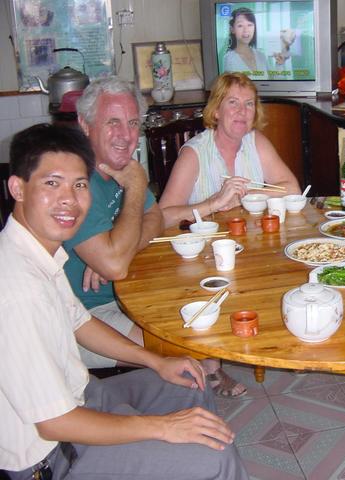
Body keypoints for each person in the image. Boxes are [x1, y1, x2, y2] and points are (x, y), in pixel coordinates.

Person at [0, 123, 248, 479]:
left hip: (84, 395)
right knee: (214, 458)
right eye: (51, 183)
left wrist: (155, 361)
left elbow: (80, 323)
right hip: (54, 457)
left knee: (188, 377)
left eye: (79, 185)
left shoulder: (38, 254)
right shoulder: (16, 291)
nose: (69, 199)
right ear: (17, 188)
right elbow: (55, 424)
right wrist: (162, 428)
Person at [64, 76, 246, 397]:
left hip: (127, 293)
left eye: (133, 122)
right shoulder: (77, 181)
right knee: (179, 350)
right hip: (85, 317)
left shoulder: (120, 167)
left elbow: (156, 218)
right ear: (85, 123)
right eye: (113, 122)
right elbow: (116, 266)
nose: (125, 135)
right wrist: (136, 186)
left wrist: (121, 246)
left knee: (210, 295)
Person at [159, 72, 300, 227]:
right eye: (233, 102)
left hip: (252, 241)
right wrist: (215, 203)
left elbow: (293, 190)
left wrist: (242, 197)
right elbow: (163, 217)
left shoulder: (256, 141)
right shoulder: (193, 154)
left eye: (249, 104)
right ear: (216, 111)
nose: (242, 111)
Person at [223, 7, 269, 80]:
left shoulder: (262, 56)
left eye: (250, 25)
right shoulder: (229, 59)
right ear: (232, 29)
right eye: (240, 26)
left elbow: (273, 85)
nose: (246, 30)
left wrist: (279, 64)